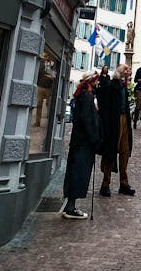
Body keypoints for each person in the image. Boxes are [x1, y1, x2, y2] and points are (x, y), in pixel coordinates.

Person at [62, 73, 101, 219]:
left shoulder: (83, 94)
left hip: (78, 141)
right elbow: (88, 119)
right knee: (79, 173)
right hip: (83, 142)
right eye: (96, 80)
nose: (98, 82)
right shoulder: (88, 96)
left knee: (75, 172)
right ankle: (71, 208)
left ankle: (69, 205)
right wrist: (94, 139)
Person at [97, 64, 135, 197]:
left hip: (125, 120)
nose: (129, 72)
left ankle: (124, 184)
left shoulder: (124, 86)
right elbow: (104, 106)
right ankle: (105, 184)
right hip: (114, 121)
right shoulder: (110, 86)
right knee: (110, 152)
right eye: (126, 70)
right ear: (121, 72)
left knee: (124, 151)